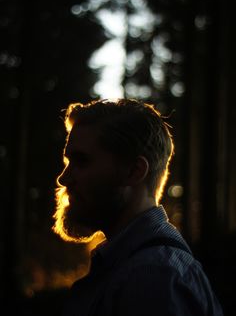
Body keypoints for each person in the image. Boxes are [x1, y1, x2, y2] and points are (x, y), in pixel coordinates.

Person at [52, 98, 223, 316]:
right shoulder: (144, 268)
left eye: (82, 161)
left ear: (134, 171)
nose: (63, 179)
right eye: (68, 163)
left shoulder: (152, 277)